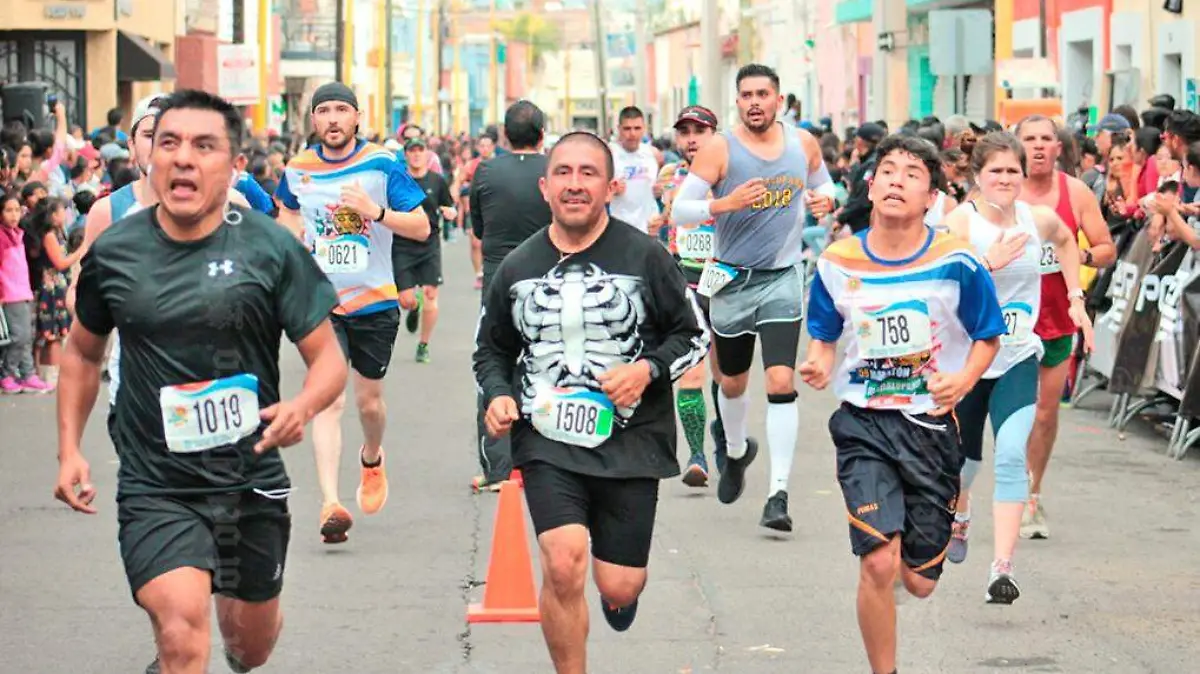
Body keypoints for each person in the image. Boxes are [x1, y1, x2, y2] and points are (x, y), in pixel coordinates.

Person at [55, 89, 348, 674]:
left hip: (250, 474)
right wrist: (68, 450)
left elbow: (329, 360)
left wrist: (303, 406)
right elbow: (82, 355)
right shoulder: (115, 252)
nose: (184, 157)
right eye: (170, 143)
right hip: (156, 480)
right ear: (151, 158)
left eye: (203, 145)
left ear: (234, 164)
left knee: (249, 644)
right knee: (183, 629)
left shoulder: (270, 248)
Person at [474, 131, 708, 673]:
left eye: (587, 174)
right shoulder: (518, 268)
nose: (574, 184)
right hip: (547, 435)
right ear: (545, 185)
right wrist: (500, 395)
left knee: (620, 583)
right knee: (562, 564)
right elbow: (490, 349)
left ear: (611, 185)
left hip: (632, 436)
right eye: (563, 173)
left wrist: (646, 370)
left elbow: (694, 335)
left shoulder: (646, 256)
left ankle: (618, 595)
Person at [799, 134, 1005, 674]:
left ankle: (945, 522)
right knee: (876, 562)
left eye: (912, 174)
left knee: (917, 581)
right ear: (870, 186)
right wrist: (820, 361)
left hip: (931, 428)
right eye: (887, 171)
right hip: (864, 424)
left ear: (932, 196)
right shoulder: (837, 261)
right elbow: (824, 332)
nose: (896, 180)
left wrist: (961, 381)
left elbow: (988, 335)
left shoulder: (956, 261)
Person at [670, 63, 837, 531]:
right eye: (746, 95)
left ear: (779, 100)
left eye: (763, 93)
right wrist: (725, 204)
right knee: (733, 383)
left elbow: (826, 186)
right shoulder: (720, 149)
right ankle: (738, 451)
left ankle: (778, 494)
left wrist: (827, 200)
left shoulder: (801, 144)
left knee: (781, 381)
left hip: (782, 276)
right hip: (730, 280)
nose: (755, 102)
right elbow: (681, 209)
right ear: (737, 102)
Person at [941, 131, 1093, 603]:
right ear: (977, 176)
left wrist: (1075, 300)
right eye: (996, 171)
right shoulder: (959, 223)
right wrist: (986, 262)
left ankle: (1001, 568)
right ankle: (959, 513)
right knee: (964, 466)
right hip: (968, 362)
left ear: (1023, 175)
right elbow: (941, 288)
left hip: (1017, 357)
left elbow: (1069, 241)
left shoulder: (1038, 219)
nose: (1005, 179)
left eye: (1012, 171)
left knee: (1010, 454)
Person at [276, 82, 428, 543]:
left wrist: (375, 211)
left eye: (342, 109)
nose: (334, 118)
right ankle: (329, 503)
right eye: (324, 111)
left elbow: (421, 226)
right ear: (314, 121)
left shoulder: (382, 163)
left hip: (376, 301)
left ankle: (372, 456)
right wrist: (293, 241)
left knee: (368, 403)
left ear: (357, 117)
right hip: (323, 303)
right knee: (329, 398)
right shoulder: (297, 168)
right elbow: (287, 212)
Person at [1015, 115, 1115, 539]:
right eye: (1029, 139)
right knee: (1013, 412)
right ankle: (1010, 487)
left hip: (1058, 316)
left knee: (1045, 412)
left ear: (1059, 148)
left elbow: (1107, 247)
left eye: (1045, 139)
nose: (1038, 147)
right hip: (1011, 320)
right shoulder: (1002, 188)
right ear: (1016, 146)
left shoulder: (1074, 193)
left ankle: (1031, 494)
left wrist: (1078, 257)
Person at [469, 100, 553, 491]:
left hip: (499, 281)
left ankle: (498, 469)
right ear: (542, 134)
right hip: (548, 275)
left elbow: (480, 229)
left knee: (495, 363)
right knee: (549, 363)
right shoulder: (554, 171)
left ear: (504, 135)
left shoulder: (486, 170)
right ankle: (546, 460)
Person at [648, 104, 727, 486]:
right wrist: (658, 223)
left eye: (700, 130)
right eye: (685, 132)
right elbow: (664, 218)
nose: (691, 139)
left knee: (726, 376)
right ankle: (697, 457)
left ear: (714, 134)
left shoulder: (731, 172)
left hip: (726, 278)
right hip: (686, 278)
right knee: (691, 374)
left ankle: (725, 437)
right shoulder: (668, 176)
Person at [393, 136, 456, 363]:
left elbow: (449, 206)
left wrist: (450, 213)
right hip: (402, 244)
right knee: (405, 300)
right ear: (406, 154)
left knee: (431, 293)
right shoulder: (398, 181)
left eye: (421, 150)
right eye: (412, 151)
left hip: (429, 244)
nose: (417, 154)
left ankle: (423, 344)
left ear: (427, 154)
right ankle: (414, 305)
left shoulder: (436, 180)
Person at [608, 106, 661, 233]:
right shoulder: (609, 154)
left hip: (649, 226)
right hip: (619, 226)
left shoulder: (654, 154)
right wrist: (610, 189)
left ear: (644, 129)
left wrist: (661, 191)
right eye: (627, 128)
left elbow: (665, 187)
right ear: (619, 129)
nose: (632, 133)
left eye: (637, 128)